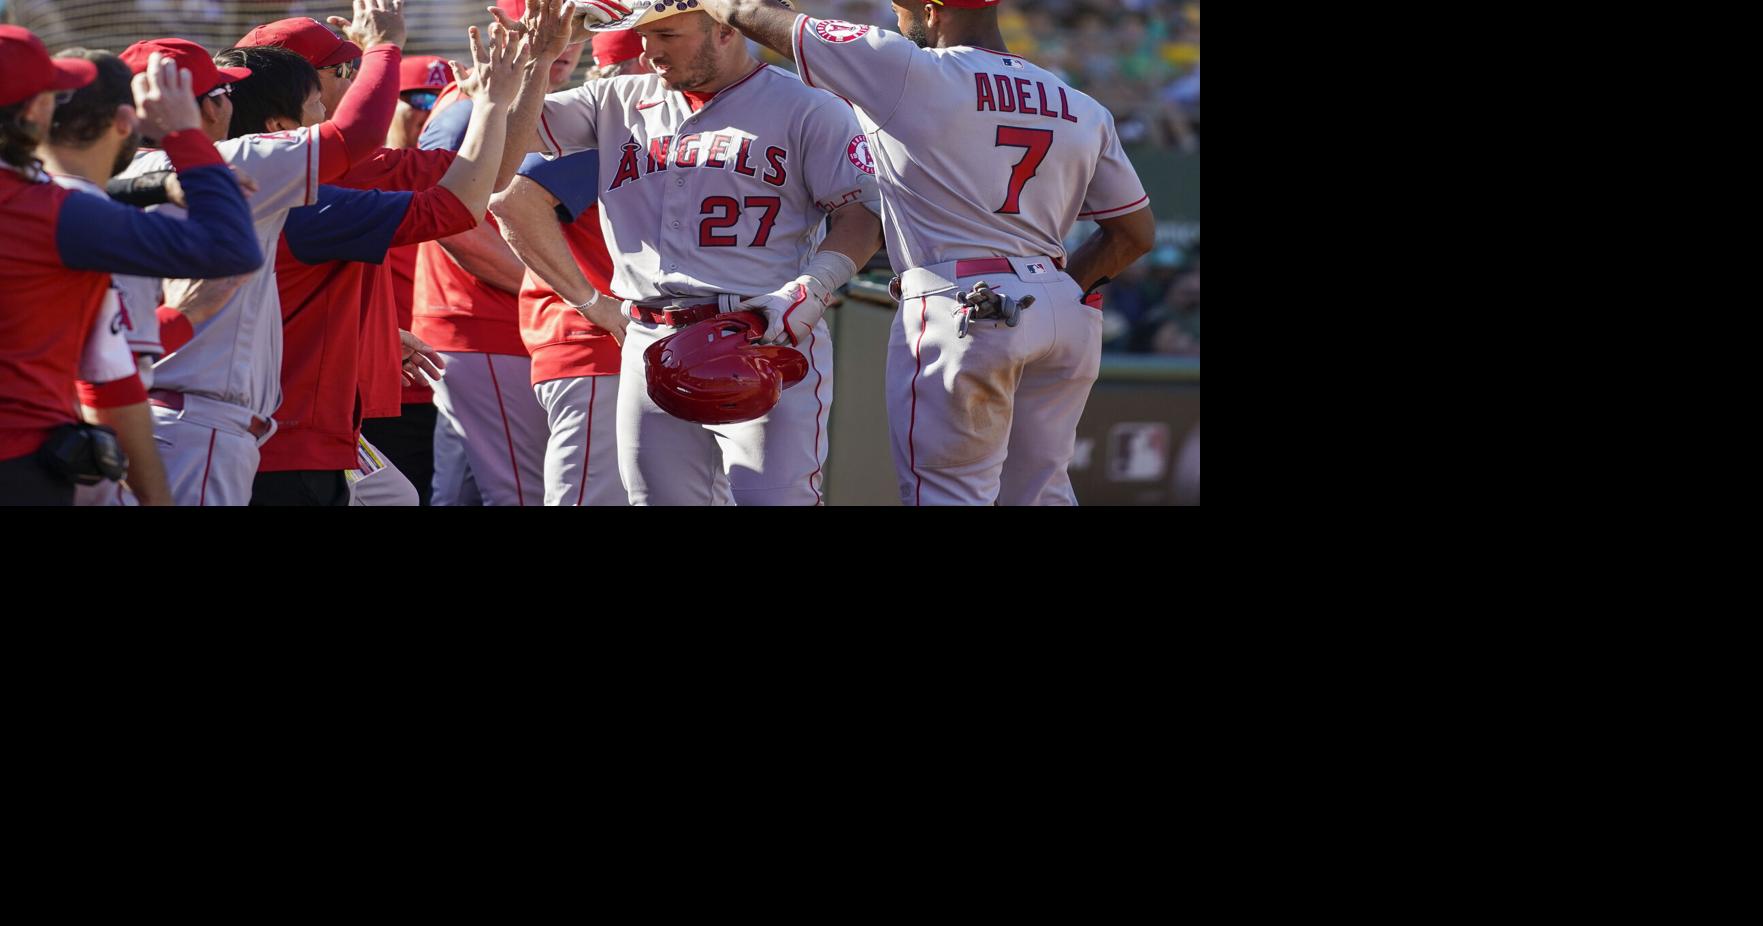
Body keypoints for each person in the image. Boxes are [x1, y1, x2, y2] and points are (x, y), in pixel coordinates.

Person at [709, 0, 1156, 505]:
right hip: (1060, 306)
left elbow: (743, 9)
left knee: (948, 495)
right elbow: (1133, 234)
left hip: (964, 303)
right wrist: (1052, 293)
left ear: (931, 10)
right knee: (1041, 494)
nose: (897, 19)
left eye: (901, 9)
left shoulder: (907, 68)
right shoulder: (1080, 104)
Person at [491, 0, 883, 506]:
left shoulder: (807, 105)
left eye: (668, 36)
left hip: (759, 330)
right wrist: (542, 56)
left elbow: (862, 214)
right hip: (648, 336)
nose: (650, 51)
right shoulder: (616, 99)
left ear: (724, 28)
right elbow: (499, 157)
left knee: (775, 500)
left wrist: (814, 286)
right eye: (644, 37)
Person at [112, 0, 406, 505]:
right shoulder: (229, 162)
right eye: (224, 89)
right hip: (199, 419)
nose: (232, 99)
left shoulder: (100, 185)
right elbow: (356, 135)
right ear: (203, 106)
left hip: (136, 407)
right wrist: (385, 46)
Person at [0, 28, 259, 505]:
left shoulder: (46, 204)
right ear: (34, 109)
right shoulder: (54, 215)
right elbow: (231, 247)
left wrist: (154, 185)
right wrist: (183, 136)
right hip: (18, 465)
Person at [410, 0, 588, 506]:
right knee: (523, 493)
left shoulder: (533, 104)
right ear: (499, 31)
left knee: (460, 494)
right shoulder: (470, 108)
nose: (566, 44)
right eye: (545, 28)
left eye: (576, 30)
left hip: (483, 330)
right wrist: (559, 290)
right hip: (482, 327)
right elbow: (448, 224)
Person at [483, 27, 648, 506]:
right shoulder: (613, 126)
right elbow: (510, 200)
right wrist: (593, 302)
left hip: (604, 349)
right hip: (595, 348)